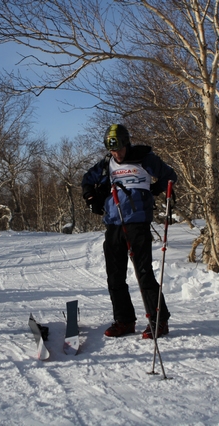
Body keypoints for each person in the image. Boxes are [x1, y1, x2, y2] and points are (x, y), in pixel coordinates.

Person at [82, 124, 177, 339]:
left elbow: (170, 175)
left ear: (127, 143)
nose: (117, 154)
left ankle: (159, 320)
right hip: (114, 224)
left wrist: (154, 190)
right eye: (112, 150)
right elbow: (87, 180)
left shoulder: (144, 159)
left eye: (120, 149)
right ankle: (124, 320)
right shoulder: (106, 164)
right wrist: (91, 198)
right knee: (114, 276)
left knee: (143, 273)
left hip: (138, 223)